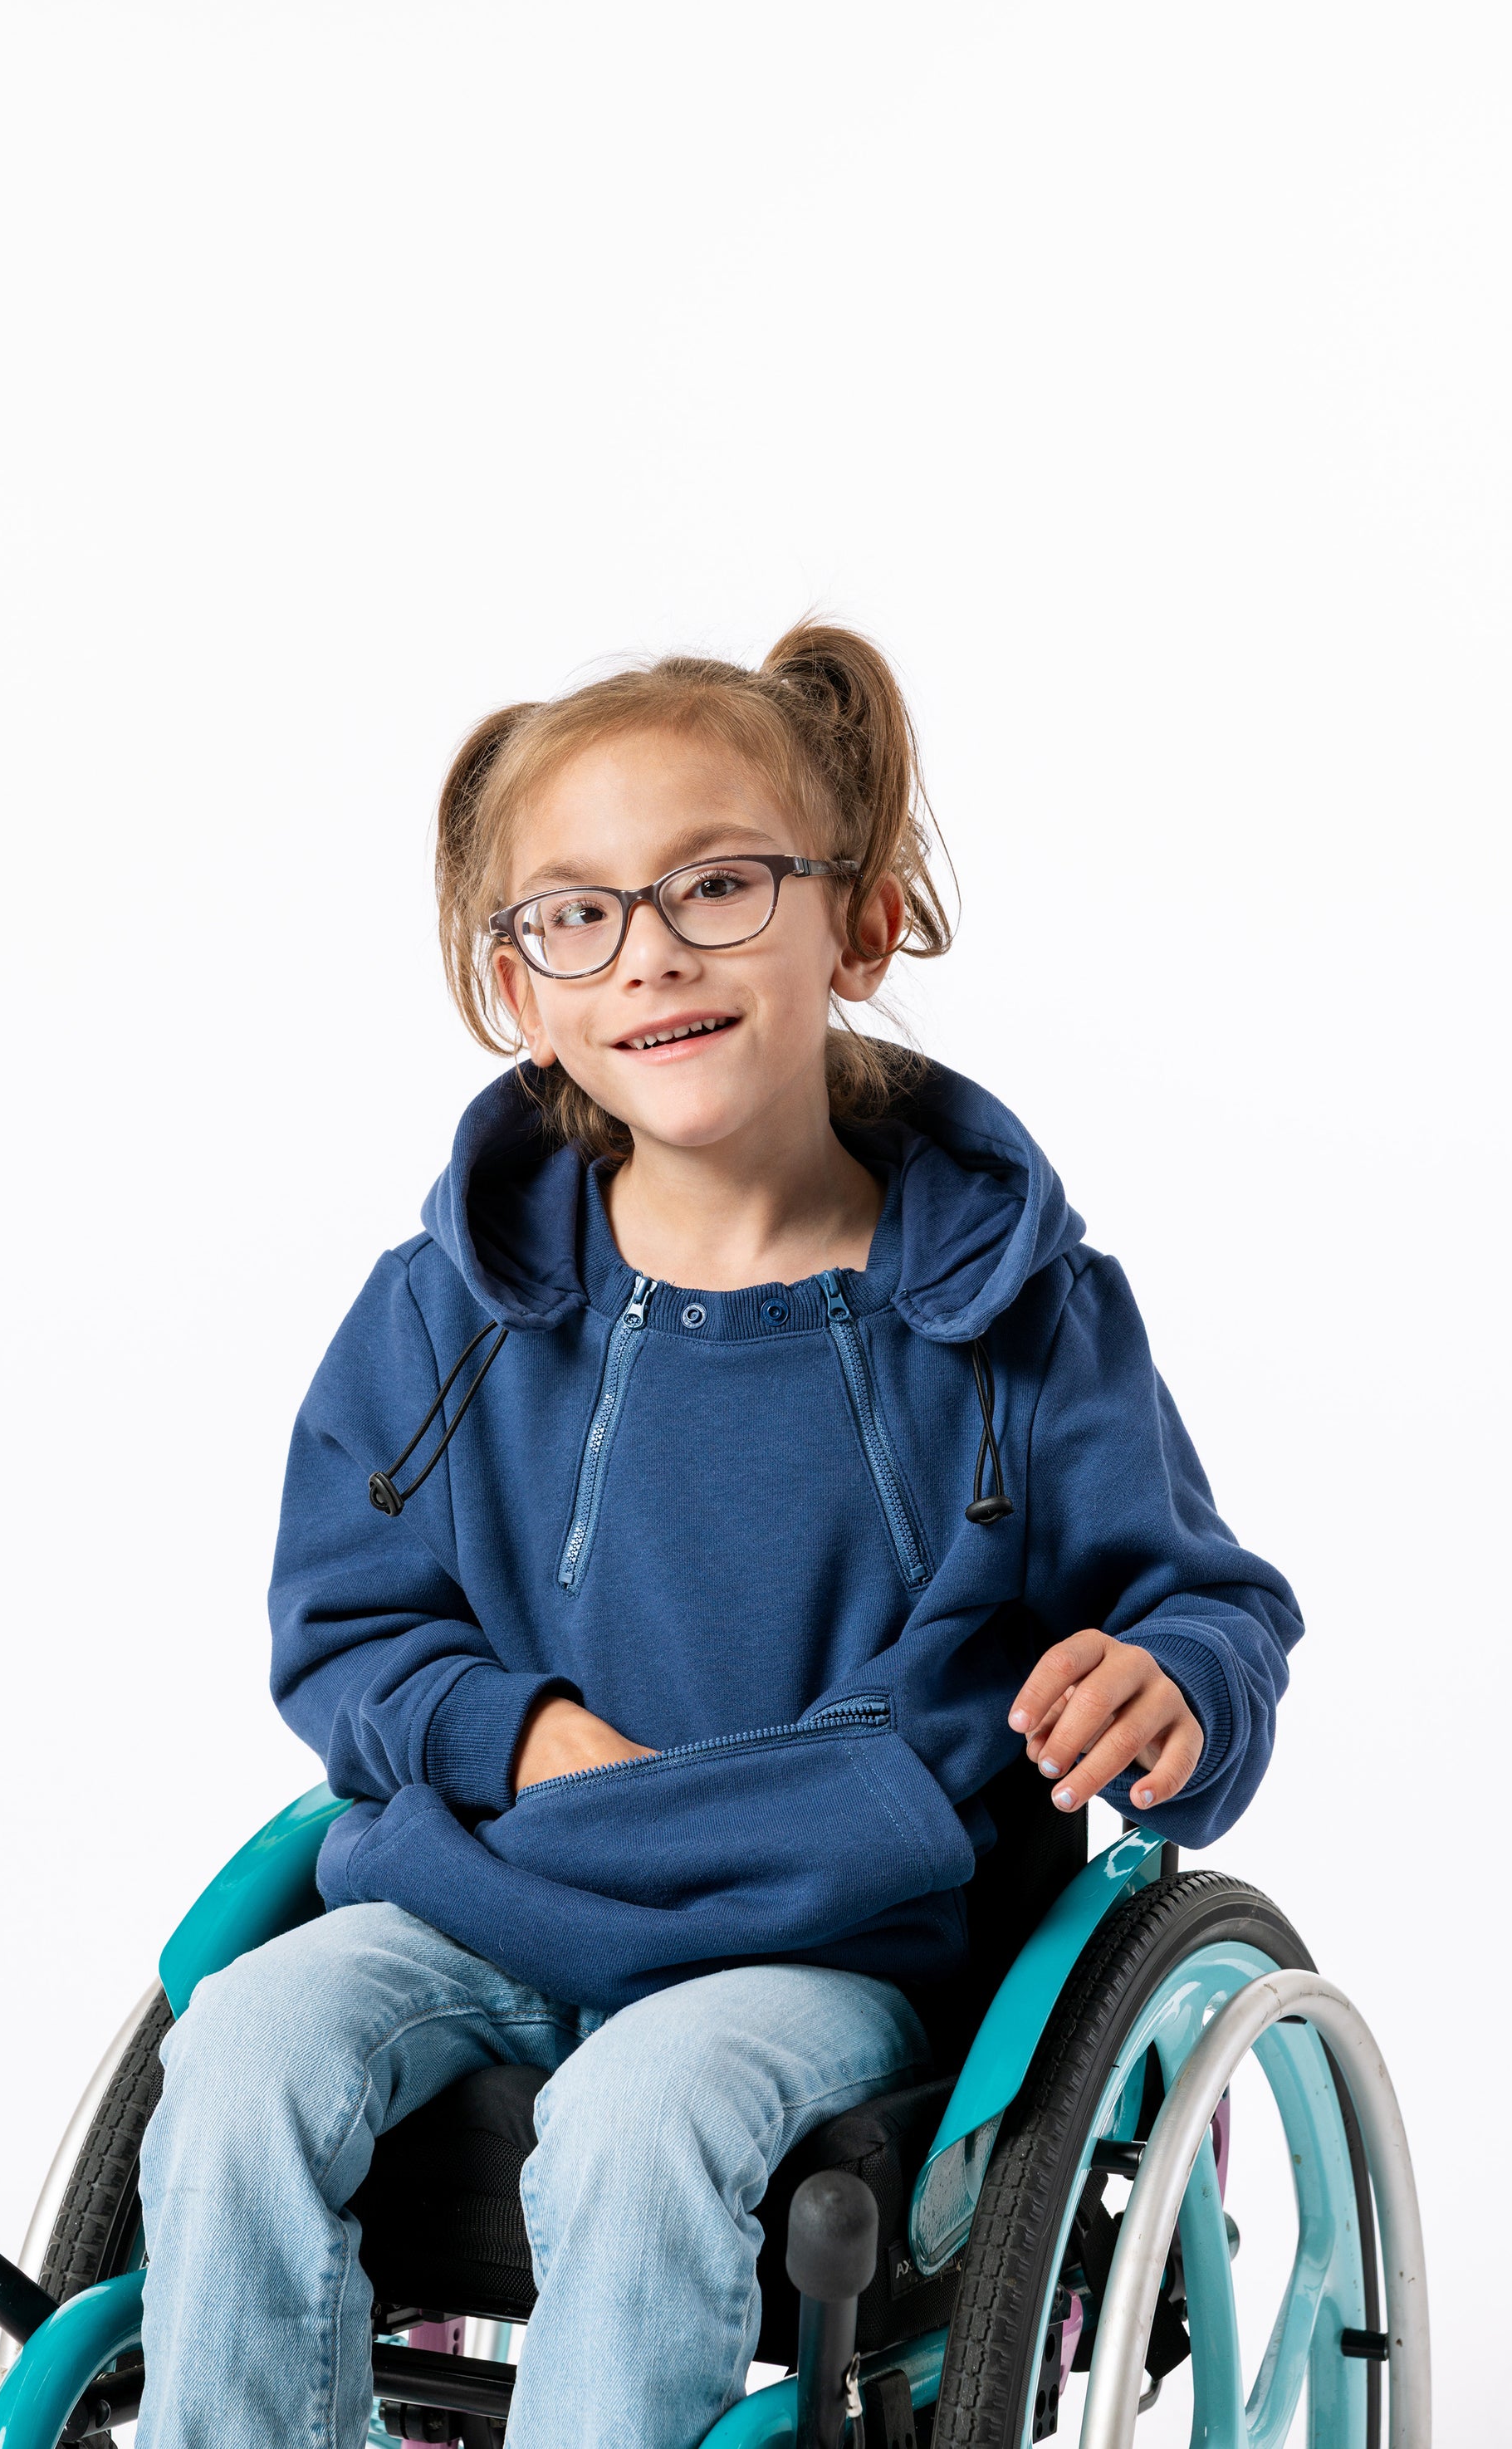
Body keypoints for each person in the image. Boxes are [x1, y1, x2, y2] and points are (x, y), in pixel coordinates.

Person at [135, 624, 1302, 2447]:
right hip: (502, 1879)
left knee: (646, 2107)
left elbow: (1198, 1598)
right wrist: (503, 1730)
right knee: (237, 2053)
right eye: (575, 914)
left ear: (860, 924)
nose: (650, 951)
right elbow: (347, 1634)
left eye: (717, 886)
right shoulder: (447, 1315)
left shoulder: (1014, 1316)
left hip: (831, 1931)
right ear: (516, 990)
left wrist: (1170, 1679)